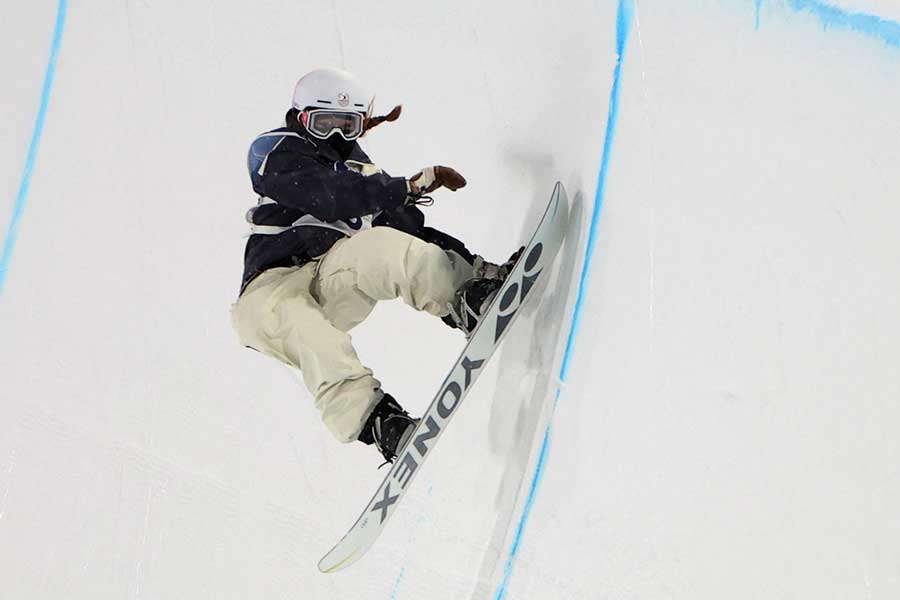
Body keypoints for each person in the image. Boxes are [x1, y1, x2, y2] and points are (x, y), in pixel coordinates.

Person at [231, 68, 517, 464]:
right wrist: (404, 187)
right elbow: (326, 195)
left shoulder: (364, 177)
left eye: (346, 126)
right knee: (304, 327)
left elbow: (410, 239)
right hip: (270, 291)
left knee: (379, 245)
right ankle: (377, 421)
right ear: (301, 118)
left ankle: (464, 298)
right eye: (324, 123)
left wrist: (481, 273)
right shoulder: (276, 151)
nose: (334, 136)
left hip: (328, 278)